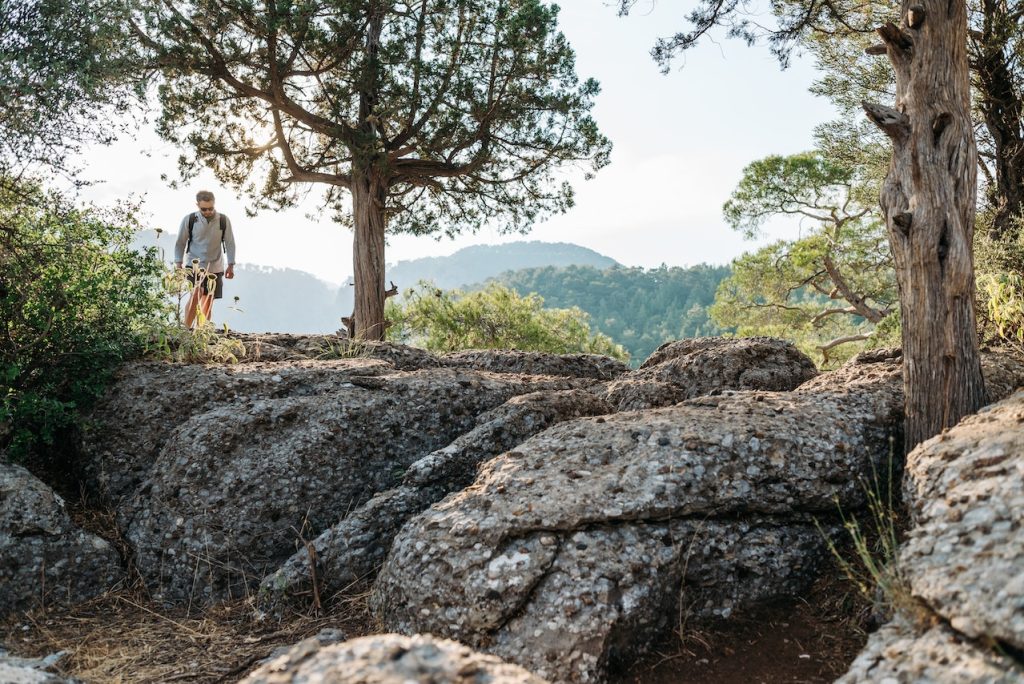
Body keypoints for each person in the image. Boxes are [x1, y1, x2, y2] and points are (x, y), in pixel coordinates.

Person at [174, 190, 236, 328]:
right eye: (204, 209)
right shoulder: (190, 220)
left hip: (215, 266)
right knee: (196, 293)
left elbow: (230, 243)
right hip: (193, 265)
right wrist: (179, 263)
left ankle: (203, 332)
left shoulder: (223, 220)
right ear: (197, 205)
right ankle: (187, 329)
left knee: (208, 299)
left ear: (214, 204)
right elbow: (180, 242)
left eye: (210, 208)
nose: (208, 211)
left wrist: (231, 265)